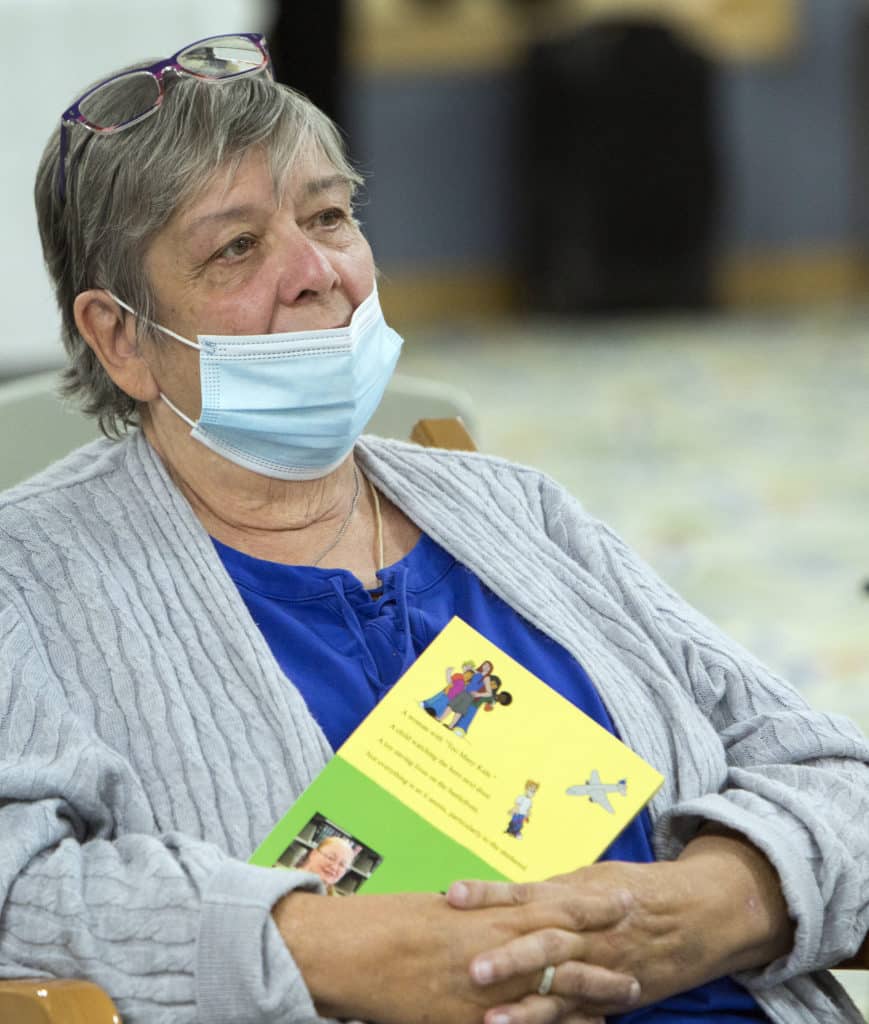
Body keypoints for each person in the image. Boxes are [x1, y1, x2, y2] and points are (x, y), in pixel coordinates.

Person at [1, 29, 868, 1024]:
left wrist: (708, 907)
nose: (315, 271)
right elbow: (16, 890)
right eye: (236, 247)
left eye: (328, 217)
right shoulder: (27, 577)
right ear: (122, 338)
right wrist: (316, 945)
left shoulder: (514, 509)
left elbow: (826, 769)